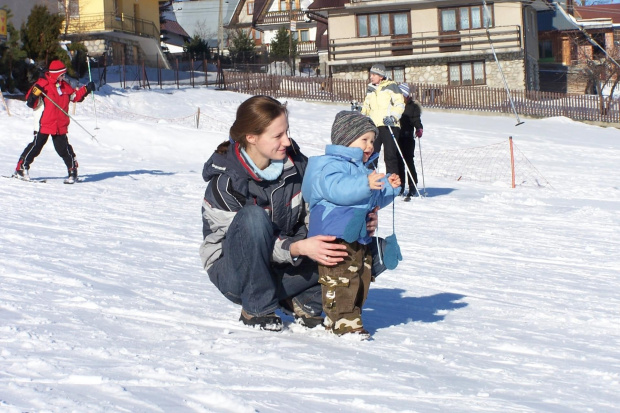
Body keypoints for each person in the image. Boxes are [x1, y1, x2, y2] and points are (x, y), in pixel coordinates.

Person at [200, 95, 386, 332]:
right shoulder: (226, 183)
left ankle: (304, 302)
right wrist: (299, 248)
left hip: (285, 264)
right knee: (253, 218)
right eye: (278, 136)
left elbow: (323, 207)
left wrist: (358, 219)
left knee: (368, 251)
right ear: (251, 138)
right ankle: (257, 308)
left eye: (287, 132)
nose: (287, 141)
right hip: (236, 275)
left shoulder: (299, 166)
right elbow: (239, 244)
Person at [302, 110, 401, 337]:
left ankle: (345, 317)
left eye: (373, 141)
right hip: (334, 237)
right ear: (345, 139)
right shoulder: (330, 166)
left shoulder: (361, 170)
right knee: (341, 279)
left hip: (356, 235)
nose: (370, 146)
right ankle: (344, 321)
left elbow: (370, 199)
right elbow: (338, 189)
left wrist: (389, 188)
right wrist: (365, 184)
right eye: (364, 140)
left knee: (360, 278)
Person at [13, 60, 95, 183]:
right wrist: (35, 94)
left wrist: (86, 89)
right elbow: (30, 102)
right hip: (45, 122)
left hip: (60, 124)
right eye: (62, 74)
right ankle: (21, 168)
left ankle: (72, 171)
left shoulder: (64, 86)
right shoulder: (43, 84)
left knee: (63, 149)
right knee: (37, 146)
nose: (64, 77)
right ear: (56, 74)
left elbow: (74, 97)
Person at [361, 63, 405, 175]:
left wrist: (393, 117)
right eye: (371, 74)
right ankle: (371, 182)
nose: (371, 77)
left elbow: (399, 104)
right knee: (371, 155)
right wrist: (360, 110)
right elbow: (367, 106)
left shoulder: (391, 86)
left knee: (389, 156)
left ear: (381, 76)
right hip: (374, 126)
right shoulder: (371, 88)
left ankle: (392, 184)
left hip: (389, 125)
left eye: (373, 75)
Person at [397, 83, 424, 197]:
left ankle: (412, 185)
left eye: (402, 94)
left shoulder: (413, 107)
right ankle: (401, 185)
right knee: (398, 162)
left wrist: (419, 128)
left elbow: (416, 119)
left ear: (406, 95)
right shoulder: (395, 105)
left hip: (408, 137)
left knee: (408, 161)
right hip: (397, 136)